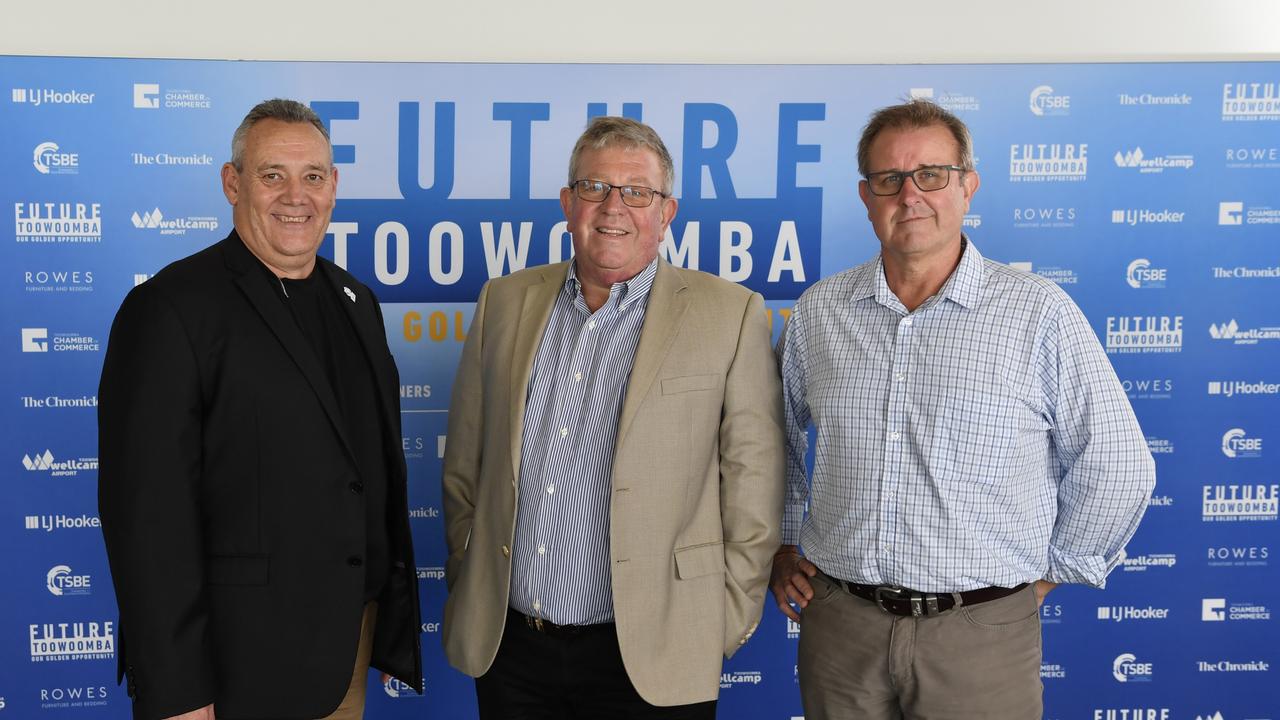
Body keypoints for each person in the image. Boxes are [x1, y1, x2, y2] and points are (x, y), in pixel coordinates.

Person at [770, 99, 1155, 719]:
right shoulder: (821, 312)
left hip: (980, 632)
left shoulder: (1038, 313)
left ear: (968, 186)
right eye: (889, 179)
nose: (910, 194)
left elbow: (1116, 461)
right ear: (866, 195)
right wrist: (783, 546)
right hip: (840, 628)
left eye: (932, 175)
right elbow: (774, 439)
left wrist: (1045, 578)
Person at [441, 116, 784, 719]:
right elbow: (465, 462)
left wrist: (722, 620)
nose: (613, 207)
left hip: (656, 653)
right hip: (514, 648)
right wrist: (468, 567)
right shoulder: (505, 301)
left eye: (637, 192)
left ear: (666, 210)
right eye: (595, 188)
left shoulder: (729, 314)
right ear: (569, 202)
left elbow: (753, 487)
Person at [98, 98, 422, 720]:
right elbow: (147, 519)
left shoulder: (357, 302)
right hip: (233, 664)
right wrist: (179, 692)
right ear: (232, 183)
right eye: (273, 175)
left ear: (333, 187)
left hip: (342, 650)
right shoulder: (171, 309)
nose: (295, 196)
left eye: (313, 177)